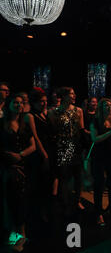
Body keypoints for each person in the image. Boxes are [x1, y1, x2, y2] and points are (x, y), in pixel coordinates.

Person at [0, 94, 36, 252]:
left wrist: (20, 155)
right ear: (9, 105)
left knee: (21, 202)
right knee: (12, 203)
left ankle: (20, 235)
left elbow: (33, 145)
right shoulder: (2, 124)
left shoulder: (24, 124)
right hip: (7, 168)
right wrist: (9, 157)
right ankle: (17, 235)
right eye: (15, 102)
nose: (18, 105)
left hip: (24, 167)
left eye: (21, 103)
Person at [48, 87, 85, 217]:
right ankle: (65, 203)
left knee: (78, 176)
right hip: (62, 147)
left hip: (76, 146)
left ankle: (78, 200)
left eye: (74, 93)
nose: (74, 96)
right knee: (64, 177)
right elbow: (52, 130)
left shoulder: (79, 110)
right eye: (71, 93)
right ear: (63, 96)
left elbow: (81, 129)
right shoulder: (54, 112)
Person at [90, 98, 111, 226]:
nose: (109, 107)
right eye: (106, 106)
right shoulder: (95, 121)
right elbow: (95, 139)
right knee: (99, 185)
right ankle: (98, 212)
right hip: (99, 157)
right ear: (101, 108)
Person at [26, 87, 53, 222]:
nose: (45, 103)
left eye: (46, 101)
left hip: (48, 149)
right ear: (35, 102)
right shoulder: (31, 115)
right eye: (42, 101)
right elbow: (36, 137)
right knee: (39, 183)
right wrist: (45, 155)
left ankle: (46, 210)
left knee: (47, 182)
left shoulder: (45, 114)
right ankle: (39, 213)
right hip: (39, 152)